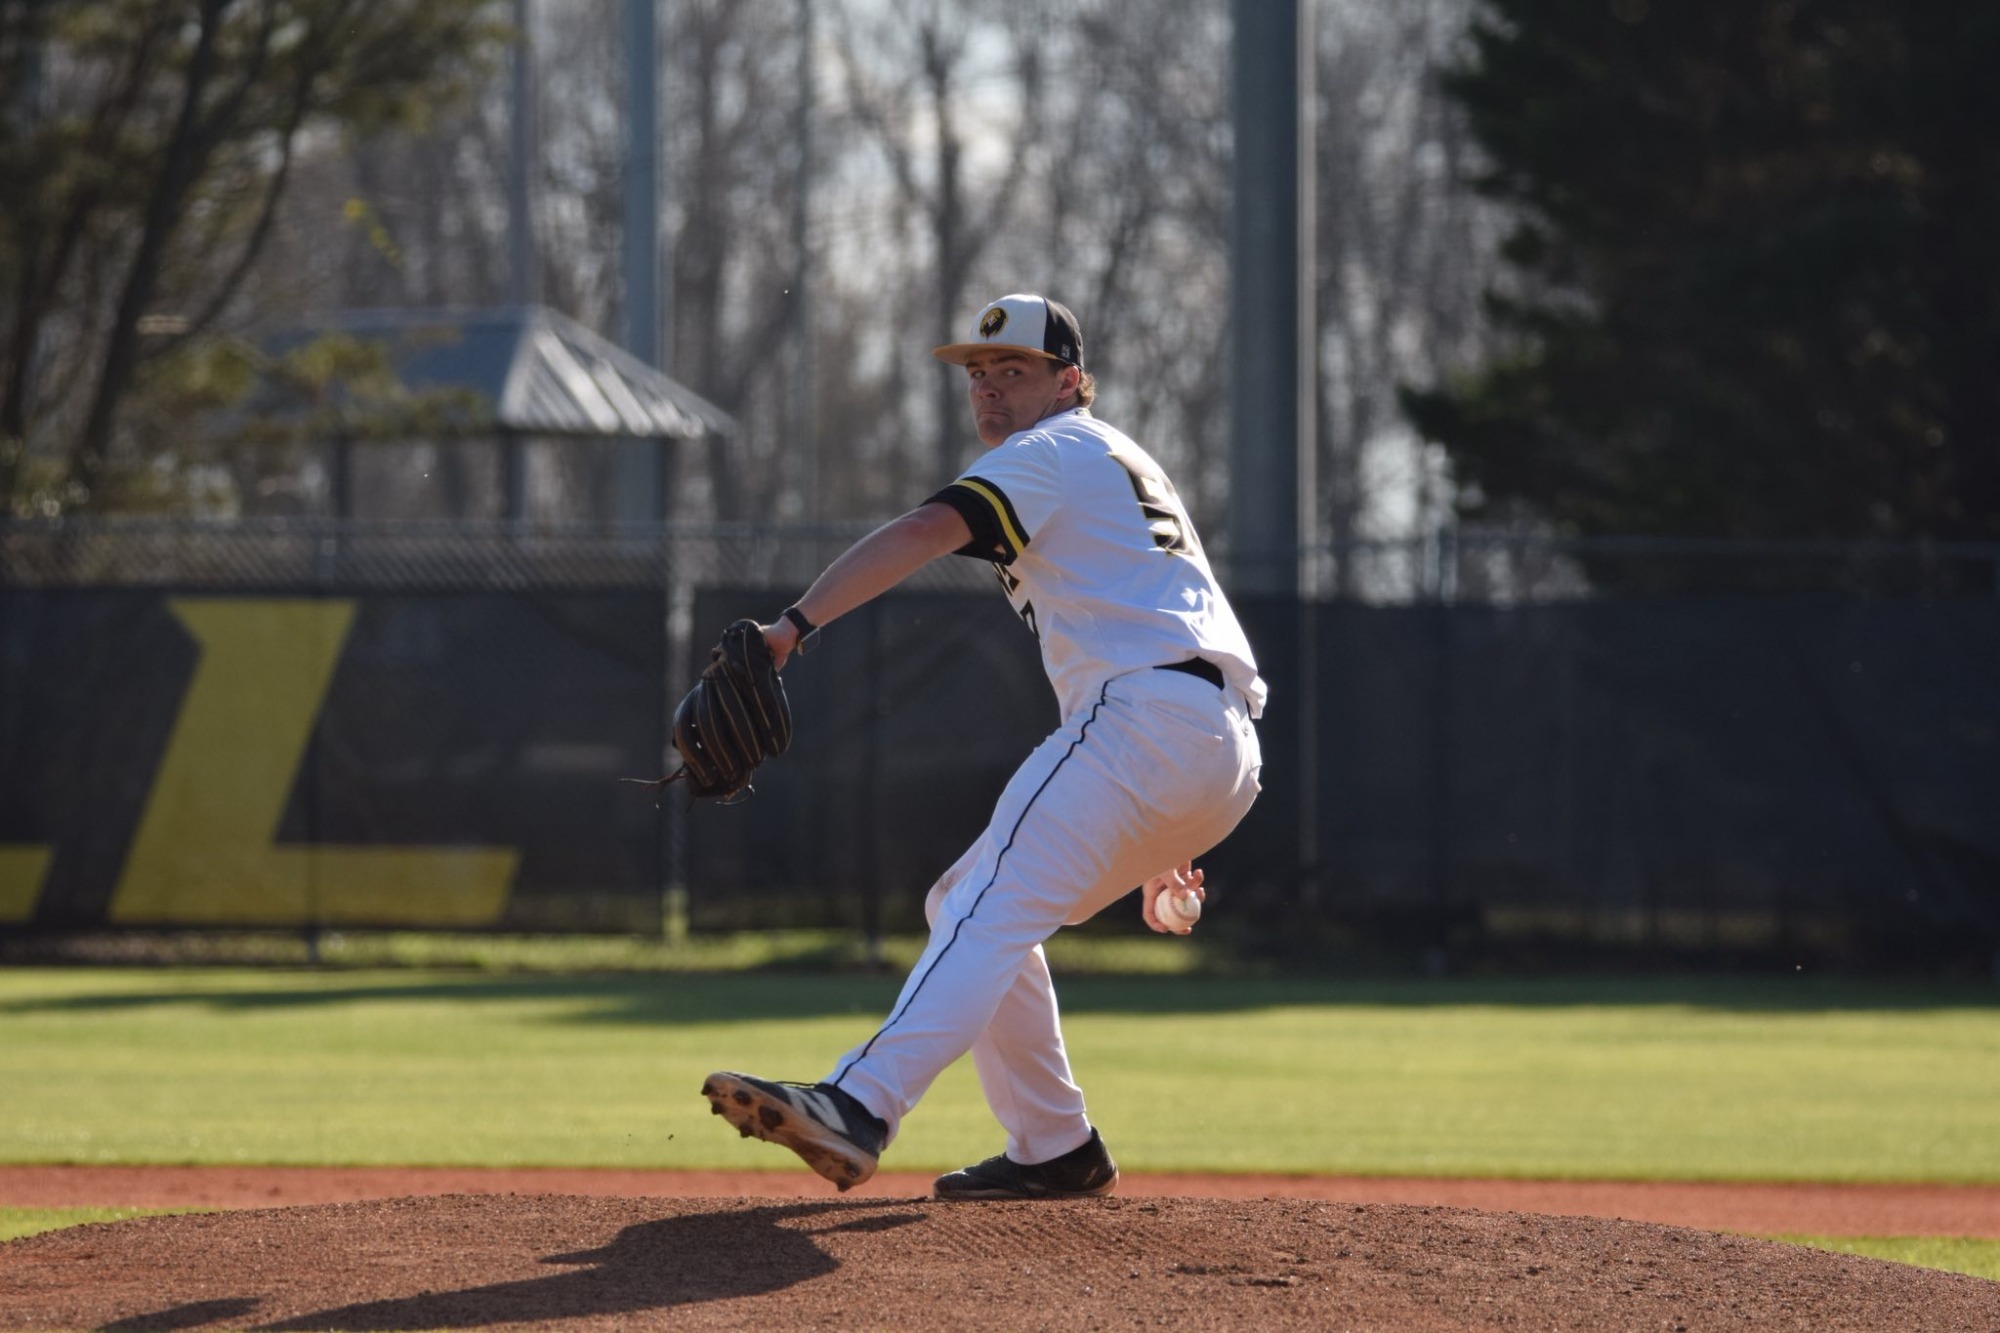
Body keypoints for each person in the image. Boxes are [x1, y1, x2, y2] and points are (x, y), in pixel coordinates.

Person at [702, 292, 1265, 1199]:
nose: (990, 388)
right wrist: (1166, 834)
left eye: (1015, 369)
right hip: (1213, 743)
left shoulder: (1053, 449)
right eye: (979, 372)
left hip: (1149, 721)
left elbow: (926, 530)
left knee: (982, 905)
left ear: (1068, 381)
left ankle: (859, 1102)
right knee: (969, 901)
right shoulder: (1115, 458)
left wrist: (792, 627)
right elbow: (1167, 615)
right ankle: (1054, 1143)